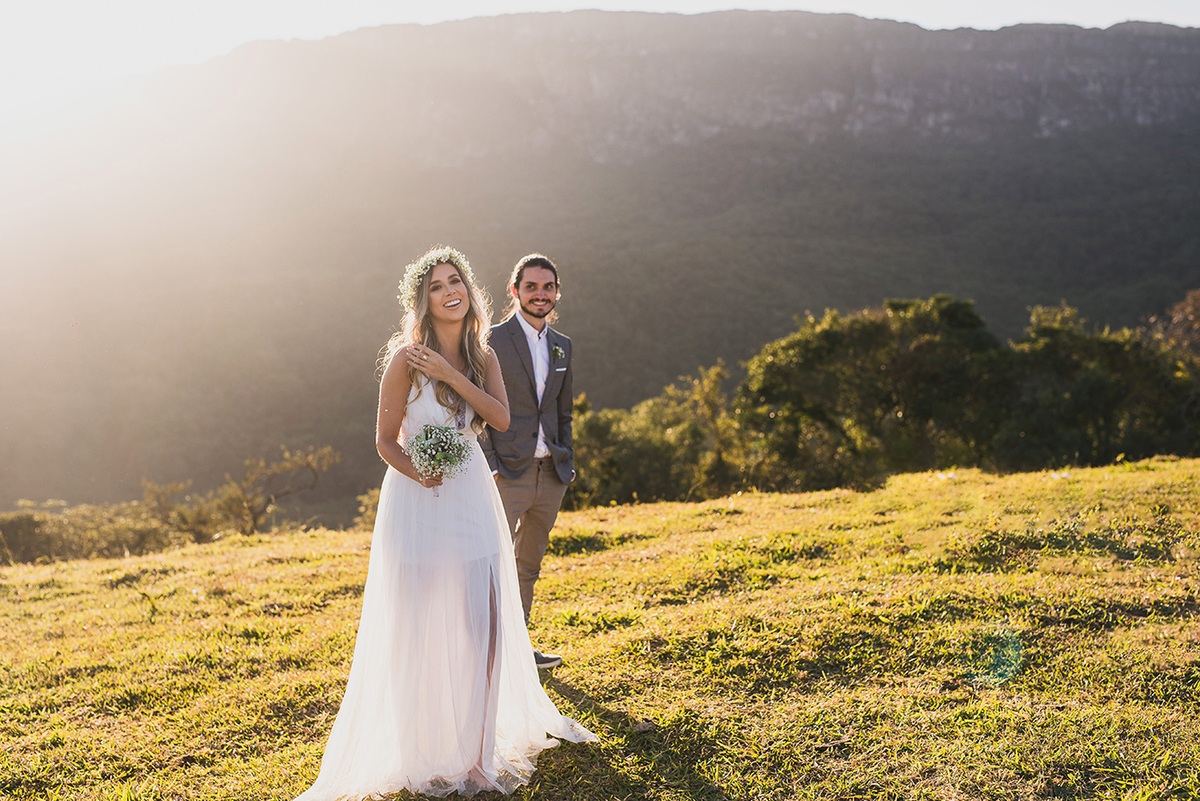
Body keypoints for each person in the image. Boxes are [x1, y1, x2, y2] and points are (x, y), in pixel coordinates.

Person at [294, 246, 595, 801]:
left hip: (473, 494)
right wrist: (418, 472)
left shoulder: (485, 356)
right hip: (417, 502)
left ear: (469, 290)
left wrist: (453, 377)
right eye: (436, 286)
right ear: (423, 301)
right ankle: (421, 748)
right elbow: (385, 442)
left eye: (455, 280)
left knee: (484, 622)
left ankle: (478, 756)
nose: (448, 290)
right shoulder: (405, 361)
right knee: (418, 622)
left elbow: (501, 419)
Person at [481, 254, 574, 670]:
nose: (541, 294)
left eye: (548, 286)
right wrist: (490, 463)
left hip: (550, 472)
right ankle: (485, 648)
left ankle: (519, 648)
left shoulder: (562, 345)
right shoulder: (492, 340)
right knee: (490, 559)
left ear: (557, 292)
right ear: (514, 290)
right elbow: (473, 406)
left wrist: (565, 459)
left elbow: (562, 410)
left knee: (528, 563)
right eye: (532, 287)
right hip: (506, 471)